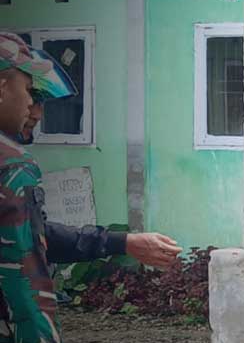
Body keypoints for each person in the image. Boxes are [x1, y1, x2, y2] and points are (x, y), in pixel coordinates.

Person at [0, 32, 77, 343]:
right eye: (30, 92)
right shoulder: (11, 168)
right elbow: (26, 288)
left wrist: (119, 240)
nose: (36, 107)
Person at [16, 92, 181, 268]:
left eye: (40, 103)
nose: (37, 114)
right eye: (29, 94)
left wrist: (124, 243)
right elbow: (34, 237)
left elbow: (37, 237)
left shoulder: (17, 160)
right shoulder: (11, 166)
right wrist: (123, 243)